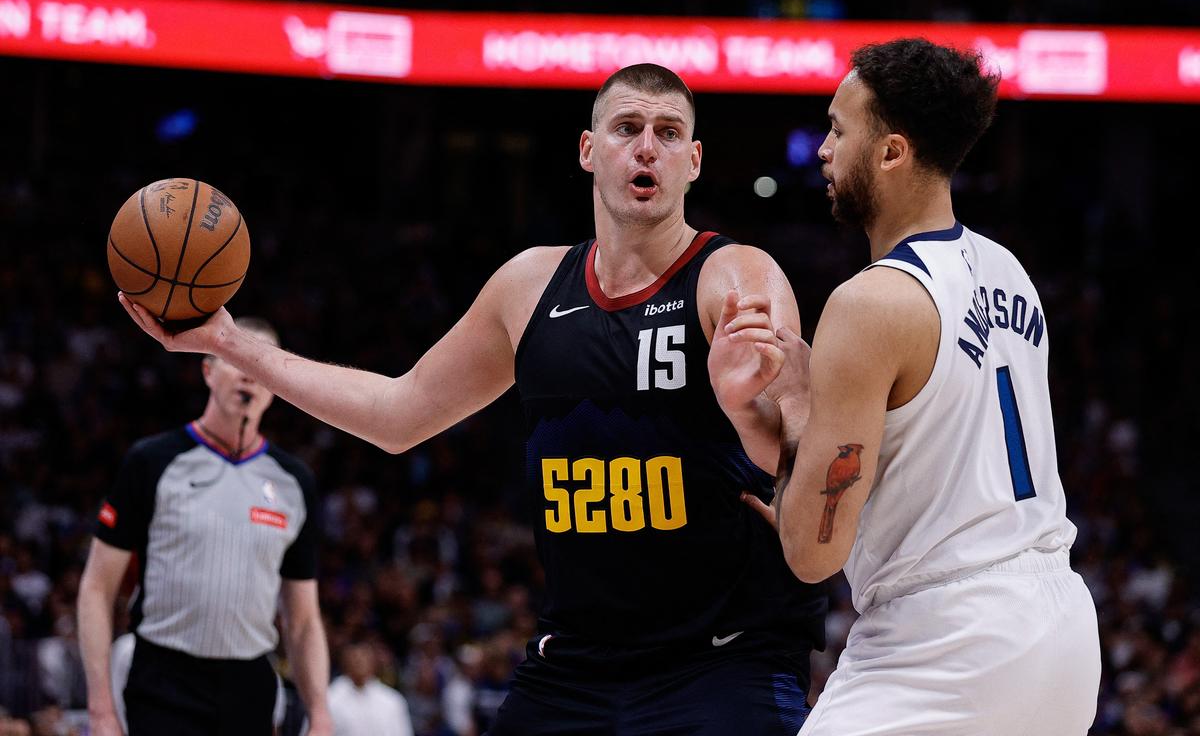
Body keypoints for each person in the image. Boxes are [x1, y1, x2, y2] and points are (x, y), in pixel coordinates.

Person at [117, 63, 827, 734]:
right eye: (626, 128)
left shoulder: (734, 277)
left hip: (720, 660)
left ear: (694, 161)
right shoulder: (527, 288)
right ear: (588, 149)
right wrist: (231, 346)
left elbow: (804, 458)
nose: (647, 147)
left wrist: (745, 411)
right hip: (576, 664)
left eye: (669, 132)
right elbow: (398, 416)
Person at [738, 38, 1102, 734]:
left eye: (839, 130)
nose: (821, 150)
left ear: (892, 152)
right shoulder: (1010, 270)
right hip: (1060, 627)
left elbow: (813, 556)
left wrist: (793, 407)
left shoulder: (870, 302)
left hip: (947, 637)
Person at [77, 317, 333, 736]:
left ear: (278, 387)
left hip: (250, 683)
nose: (249, 373)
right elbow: (96, 589)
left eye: (261, 364)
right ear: (208, 371)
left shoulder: (295, 483)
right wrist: (100, 708)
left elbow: (303, 620)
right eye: (236, 359)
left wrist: (319, 711)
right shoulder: (153, 461)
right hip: (164, 677)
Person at [327, 641, 414, 736]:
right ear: (344, 662)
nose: (359, 662)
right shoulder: (330, 698)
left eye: (364, 657)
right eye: (355, 658)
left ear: (373, 661)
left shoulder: (391, 699)